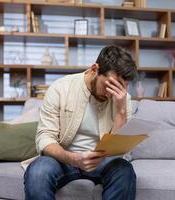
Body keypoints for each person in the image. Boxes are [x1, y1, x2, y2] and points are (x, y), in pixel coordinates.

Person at [23, 45, 137, 200]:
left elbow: (121, 151)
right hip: (63, 160)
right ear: (94, 69)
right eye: (109, 86)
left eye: (119, 88)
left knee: (124, 170)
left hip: (102, 162)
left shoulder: (122, 99)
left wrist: (121, 110)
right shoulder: (60, 88)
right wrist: (73, 159)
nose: (112, 94)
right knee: (38, 172)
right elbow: (44, 138)